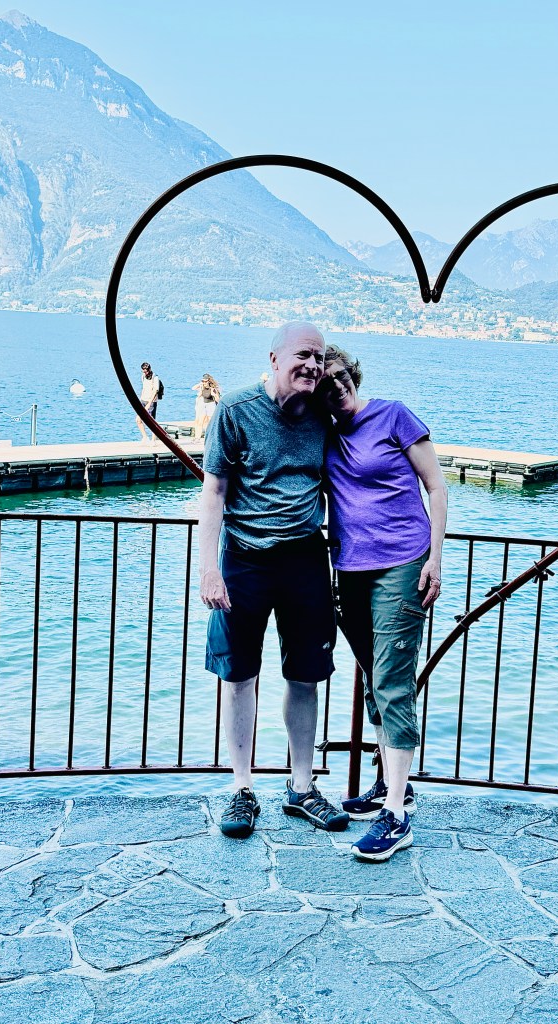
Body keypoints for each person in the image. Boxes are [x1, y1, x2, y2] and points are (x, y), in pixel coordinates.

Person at [198, 322, 348, 840]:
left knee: (305, 674)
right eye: (304, 354)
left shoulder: (324, 415)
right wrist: (208, 568)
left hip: (305, 557)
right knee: (238, 674)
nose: (313, 365)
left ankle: (302, 787)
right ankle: (242, 789)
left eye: (319, 357)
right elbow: (214, 492)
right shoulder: (236, 411)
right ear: (275, 359)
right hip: (244, 558)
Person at [318, 344, 448, 862]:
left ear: (353, 374)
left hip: (403, 564)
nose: (335, 385)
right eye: (323, 382)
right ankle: (394, 785)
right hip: (349, 570)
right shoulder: (326, 433)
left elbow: (436, 487)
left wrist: (435, 558)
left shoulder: (394, 415)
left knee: (393, 681)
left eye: (339, 375)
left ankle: (396, 816)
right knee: (375, 677)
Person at [191, 373, 221, 439]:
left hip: (211, 405)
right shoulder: (202, 387)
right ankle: (197, 437)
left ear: (209, 381)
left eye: (205, 381)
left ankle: (210, 437)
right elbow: (193, 388)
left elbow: (218, 400)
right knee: (200, 421)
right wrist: (200, 383)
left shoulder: (213, 389)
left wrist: (214, 394)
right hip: (203, 405)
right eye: (203, 381)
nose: (204, 382)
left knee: (210, 422)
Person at [136, 361, 159, 443]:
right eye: (143, 371)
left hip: (151, 402)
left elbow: (155, 390)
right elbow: (144, 388)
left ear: (149, 369)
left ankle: (153, 440)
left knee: (152, 421)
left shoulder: (155, 377)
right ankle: (145, 437)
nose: (145, 373)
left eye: (146, 371)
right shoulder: (143, 376)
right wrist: (140, 399)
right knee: (138, 419)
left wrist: (149, 403)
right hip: (143, 400)